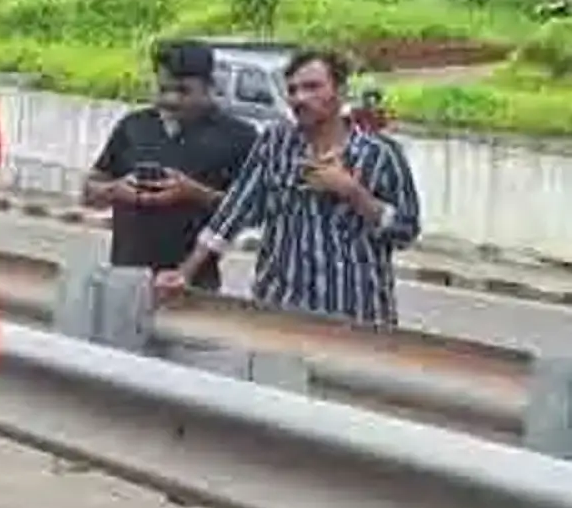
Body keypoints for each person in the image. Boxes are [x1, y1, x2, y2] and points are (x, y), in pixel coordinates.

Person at [155, 50, 423, 326]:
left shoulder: (380, 154)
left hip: (358, 320)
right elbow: (235, 211)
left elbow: (406, 230)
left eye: (312, 87)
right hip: (280, 313)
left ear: (340, 91)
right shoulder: (275, 144)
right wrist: (185, 272)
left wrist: (353, 193)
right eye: (293, 90)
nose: (299, 98)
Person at [81, 40, 258, 292]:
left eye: (184, 91)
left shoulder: (240, 137)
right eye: (163, 89)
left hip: (193, 287)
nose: (171, 99)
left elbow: (250, 214)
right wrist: (116, 190)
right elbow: (88, 193)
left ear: (209, 86)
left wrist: (194, 193)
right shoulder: (133, 126)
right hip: (125, 283)